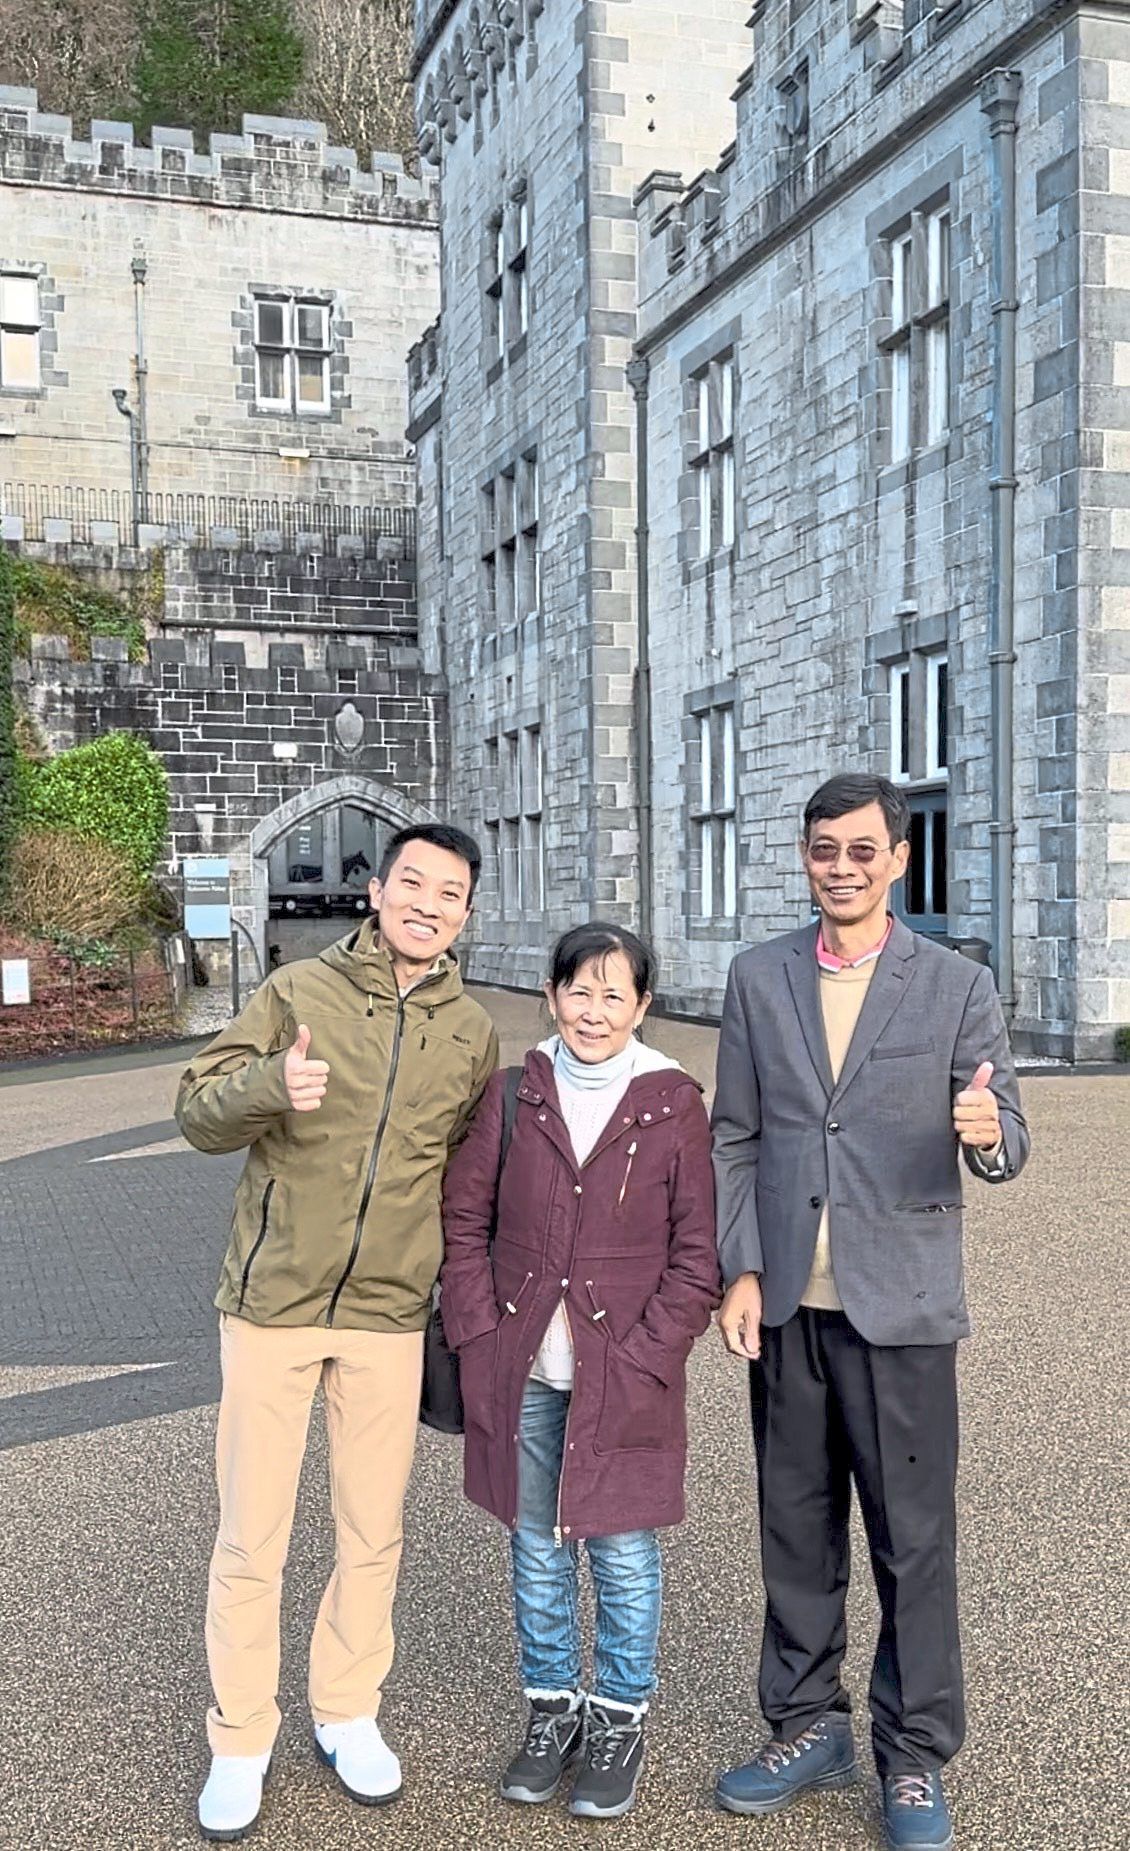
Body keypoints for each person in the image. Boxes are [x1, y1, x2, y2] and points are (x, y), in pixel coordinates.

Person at [711, 773, 1030, 1851]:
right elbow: (735, 1135)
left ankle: (912, 1754)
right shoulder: (757, 979)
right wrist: (741, 1269)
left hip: (902, 1310)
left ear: (897, 858)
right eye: (820, 850)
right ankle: (805, 1727)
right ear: (801, 857)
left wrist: (984, 1129)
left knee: (911, 1544)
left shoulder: (950, 986)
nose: (838, 868)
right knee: (793, 1532)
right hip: (789, 1308)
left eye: (859, 850)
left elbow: (1008, 1140)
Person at [176, 823, 498, 1843]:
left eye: (449, 892)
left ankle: (346, 1711)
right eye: (412, 882)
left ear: (465, 912)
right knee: (251, 1536)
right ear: (375, 890)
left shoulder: (472, 1033)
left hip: (388, 1317)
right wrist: (270, 1088)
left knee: (372, 1533)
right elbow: (196, 1110)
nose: (427, 903)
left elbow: (467, 1179)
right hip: (272, 1303)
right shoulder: (296, 995)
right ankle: (240, 1737)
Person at [440, 923, 719, 1821]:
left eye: (614, 994)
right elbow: (464, 1219)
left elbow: (696, 1254)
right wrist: (479, 1330)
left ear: (642, 1005)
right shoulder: (516, 1093)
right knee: (533, 1540)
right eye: (578, 990)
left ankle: (619, 1717)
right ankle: (551, 1707)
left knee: (624, 1549)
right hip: (522, 1363)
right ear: (551, 995)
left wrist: (647, 1353)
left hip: (624, 1368)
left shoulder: (672, 1102)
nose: (593, 1010)